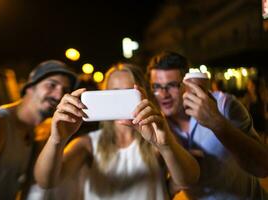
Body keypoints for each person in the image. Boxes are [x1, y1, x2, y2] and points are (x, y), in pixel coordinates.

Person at [34, 63, 200, 200]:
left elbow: (189, 179)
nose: (119, 98)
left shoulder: (158, 137)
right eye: (113, 92)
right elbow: (46, 181)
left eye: (128, 92)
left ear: (143, 95)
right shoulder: (88, 144)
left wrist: (165, 144)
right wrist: (57, 139)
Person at [147, 50, 268, 199]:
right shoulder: (156, 127)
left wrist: (216, 122)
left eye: (171, 85)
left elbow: (262, 167)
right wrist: (182, 169)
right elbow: (158, 193)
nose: (164, 94)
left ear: (186, 84)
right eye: (156, 86)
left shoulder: (223, 105)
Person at [0, 60, 78, 200]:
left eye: (65, 90)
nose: (58, 96)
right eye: (52, 85)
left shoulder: (41, 132)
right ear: (30, 87)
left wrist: (60, 139)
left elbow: (46, 182)